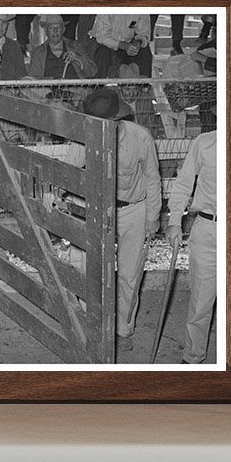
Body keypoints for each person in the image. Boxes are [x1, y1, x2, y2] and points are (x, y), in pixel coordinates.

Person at [81, 87, 162, 352]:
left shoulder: (140, 138)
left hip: (133, 211)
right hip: (98, 210)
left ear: (118, 119)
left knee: (128, 273)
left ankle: (123, 327)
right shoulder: (86, 136)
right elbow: (74, 169)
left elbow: (152, 177)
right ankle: (90, 322)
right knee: (90, 268)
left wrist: (153, 216)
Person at [166, 129, 217, 365]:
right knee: (201, 301)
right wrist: (175, 221)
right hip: (208, 229)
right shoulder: (205, 143)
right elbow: (184, 182)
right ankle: (193, 358)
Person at [27, 13, 97, 79]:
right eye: (51, 28)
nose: (55, 31)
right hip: (48, 91)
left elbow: (92, 72)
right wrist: (51, 81)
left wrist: (77, 58)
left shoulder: (76, 46)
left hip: (76, 90)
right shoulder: (38, 52)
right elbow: (32, 79)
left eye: (58, 28)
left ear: (63, 30)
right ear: (46, 31)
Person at [90, 13, 153, 78]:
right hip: (104, 44)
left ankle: (144, 85)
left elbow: (144, 33)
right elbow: (101, 37)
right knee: (103, 53)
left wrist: (138, 42)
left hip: (127, 45)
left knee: (145, 51)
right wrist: (122, 45)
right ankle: (97, 86)